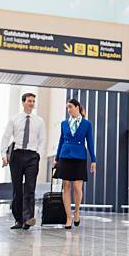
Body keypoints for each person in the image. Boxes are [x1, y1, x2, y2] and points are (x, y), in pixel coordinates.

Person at [1, 92, 47, 230]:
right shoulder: (14, 119)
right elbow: (6, 137)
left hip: (32, 156)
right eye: (29, 101)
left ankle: (28, 219)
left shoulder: (39, 121)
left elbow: (42, 139)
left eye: (33, 101)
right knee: (17, 189)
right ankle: (18, 220)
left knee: (30, 188)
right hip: (17, 155)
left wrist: (39, 154)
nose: (32, 103)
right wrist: (4, 154)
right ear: (23, 102)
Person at [53, 98, 96, 229]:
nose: (68, 110)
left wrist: (93, 160)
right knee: (66, 186)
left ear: (77, 107)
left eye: (70, 107)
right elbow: (61, 140)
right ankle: (68, 217)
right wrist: (56, 158)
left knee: (77, 188)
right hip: (65, 156)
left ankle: (76, 211)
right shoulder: (64, 123)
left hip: (79, 157)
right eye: (67, 108)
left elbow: (90, 142)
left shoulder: (87, 124)